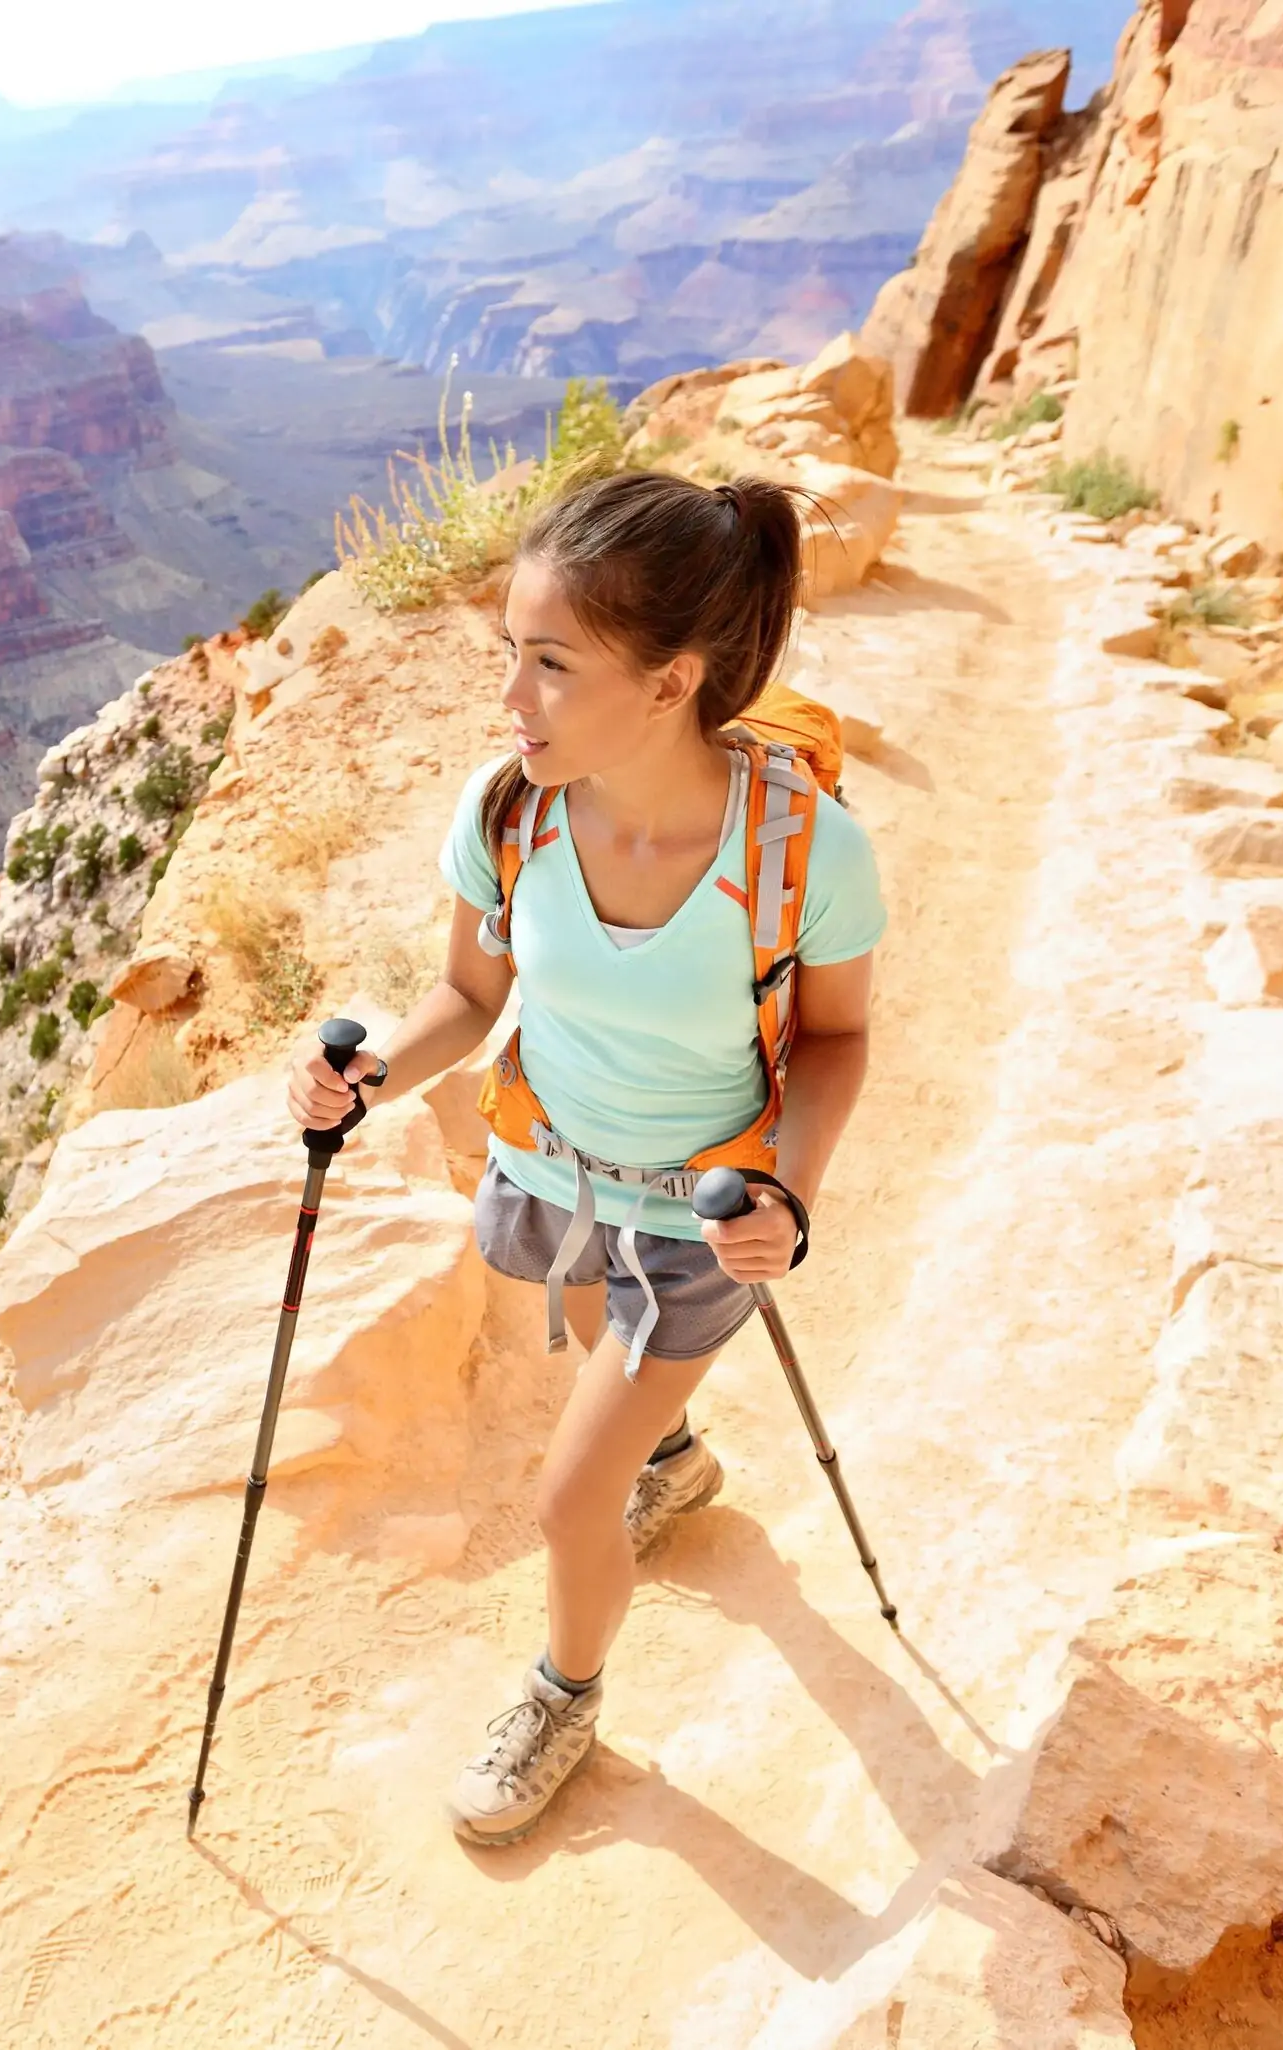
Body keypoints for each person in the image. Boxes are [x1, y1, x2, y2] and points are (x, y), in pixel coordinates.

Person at [284, 468, 884, 1846]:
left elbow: (839, 1044)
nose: (510, 700)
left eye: (550, 665)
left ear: (673, 680)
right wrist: (371, 1071)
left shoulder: (808, 851)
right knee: (605, 1375)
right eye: (510, 654)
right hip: (552, 1175)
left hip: (702, 1219)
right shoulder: (511, 811)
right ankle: (671, 1455)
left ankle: (566, 1690)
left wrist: (791, 1189)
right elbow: (469, 996)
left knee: (567, 1497)